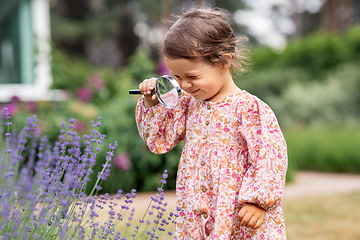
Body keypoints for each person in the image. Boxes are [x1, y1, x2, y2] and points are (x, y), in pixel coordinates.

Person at [135, 7, 288, 240]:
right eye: (177, 77)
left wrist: (258, 201)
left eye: (192, 77)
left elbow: (270, 156)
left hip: (237, 215)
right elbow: (159, 139)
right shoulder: (188, 105)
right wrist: (151, 102)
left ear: (223, 62)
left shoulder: (249, 109)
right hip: (195, 212)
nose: (184, 85)